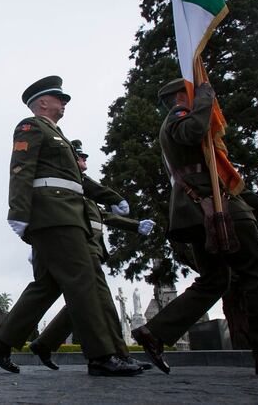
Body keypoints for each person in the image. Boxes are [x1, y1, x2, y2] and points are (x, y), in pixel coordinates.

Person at [130, 79, 258, 376]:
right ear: (180, 97)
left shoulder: (179, 122)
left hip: (198, 209)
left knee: (215, 279)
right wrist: (205, 99)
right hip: (213, 206)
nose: (198, 95)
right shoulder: (179, 118)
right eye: (192, 91)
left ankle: (155, 332)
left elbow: (213, 170)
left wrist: (251, 198)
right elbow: (194, 133)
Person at [0, 76, 141, 376]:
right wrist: (18, 212)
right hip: (53, 216)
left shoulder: (60, 136)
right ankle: (101, 356)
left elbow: (79, 181)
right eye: (59, 98)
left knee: (49, 285)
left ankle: (2, 341)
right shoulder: (31, 127)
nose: (64, 102)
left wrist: (112, 198)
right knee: (84, 283)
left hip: (67, 216)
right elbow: (20, 169)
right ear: (43, 102)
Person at [28, 141, 154, 371]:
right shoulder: (69, 186)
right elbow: (55, 216)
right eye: (81, 157)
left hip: (90, 248)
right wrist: (39, 244)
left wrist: (135, 226)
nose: (85, 161)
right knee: (95, 303)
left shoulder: (82, 189)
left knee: (90, 303)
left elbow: (103, 215)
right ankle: (112, 356)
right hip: (79, 247)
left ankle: (46, 343)